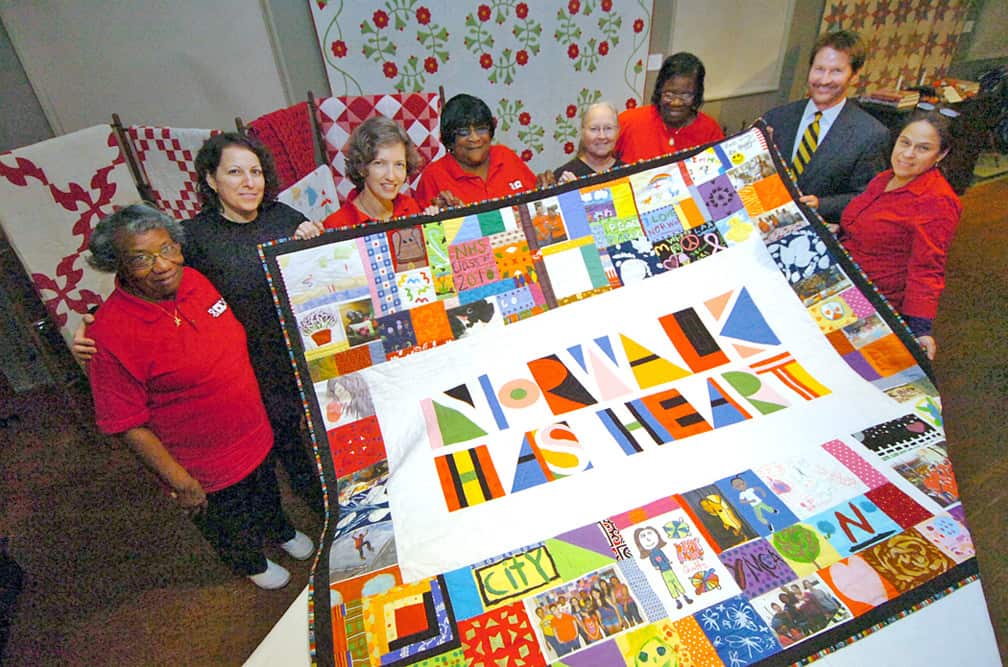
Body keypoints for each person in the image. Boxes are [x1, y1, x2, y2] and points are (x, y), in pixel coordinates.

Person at [73, 133, 325, 514]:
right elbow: (149, 281)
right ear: (211, 180)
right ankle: (315, 508)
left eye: (255, 171)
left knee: (323, 433)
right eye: (235, 172)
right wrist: (92, 323)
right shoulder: (194, 237)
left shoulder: (286, 217)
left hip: (304, 351)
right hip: (250, 368)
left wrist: (315, 239)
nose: (248, 182)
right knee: (284, 447)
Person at [83, 204, 313, 590]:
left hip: (255, 433)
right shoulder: (107, 335)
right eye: (141, 258)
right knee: (227, 518)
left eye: (167, 248)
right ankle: (250, 562)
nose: (161, 265)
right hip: (203, 465)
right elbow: (127, 425)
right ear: (116, 265)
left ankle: (281, 529)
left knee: (266, 490)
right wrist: (180, 481)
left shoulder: (195, 281)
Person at [838, 109, 961, 360]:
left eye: (923, 148)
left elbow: (927, 269)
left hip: (871, 302)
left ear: (942, 154)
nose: (908, 154)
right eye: (905, 142)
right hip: (841, 284)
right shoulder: (885, 178)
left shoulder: (937, 201)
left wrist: (920, 329)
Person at [762, 30, 889, 224]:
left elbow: (867, 198)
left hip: (821, 234)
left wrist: (822, 204)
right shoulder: (776, 118)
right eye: (819, 69)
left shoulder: (871, 135)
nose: (824, 80)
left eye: (836, 71)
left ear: (854, 76)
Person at [413, 93, 537, 208]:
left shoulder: (505, 156)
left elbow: (537, 203)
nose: (474, 138)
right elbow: (424, 229)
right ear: (450, 139)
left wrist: (547, 189)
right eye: (463, 132)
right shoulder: (433, 176)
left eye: (481, 129)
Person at [319, 116, 430, 230]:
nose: (391, 176)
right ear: (361, 167)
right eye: (379, 163)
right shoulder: (336, 225)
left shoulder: (410, 207)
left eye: (399, 164)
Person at [615, 52, 724, 163]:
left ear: (697, 94)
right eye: (669, 94)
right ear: (659, 90)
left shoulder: (710, 131)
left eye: (686, 95)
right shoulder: (628, 121)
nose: (676, 103)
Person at [545, 102, 624, 185]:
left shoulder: (630, 174)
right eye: (594, 129)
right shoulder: (562, 177)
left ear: (618, 131)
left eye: (608, 128)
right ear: (582, 132)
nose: (602, 136)